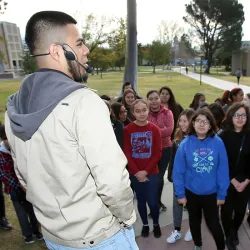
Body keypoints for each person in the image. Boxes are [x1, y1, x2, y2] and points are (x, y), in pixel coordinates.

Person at [5, 11, 138, 250]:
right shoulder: (84, 103)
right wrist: (127, 219)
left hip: (56, 239)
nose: (86, 50)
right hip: (101, 238)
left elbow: (23, 177)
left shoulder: (13, 107)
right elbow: (113, 183)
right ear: (57, 51)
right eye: (79, 44)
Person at [173, 109, 230, 250]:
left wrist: (222, 194)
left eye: (206, 121)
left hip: (211, 194)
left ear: (210, 125)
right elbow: (178, 171)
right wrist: (180, 194)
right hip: (191, 193)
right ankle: (198, 245)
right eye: (199, 120)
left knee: (214, 224)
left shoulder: (218, 143)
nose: (202, 124)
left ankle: (221, 247)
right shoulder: (185, 144)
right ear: (193, 123)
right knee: (194, 221)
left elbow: (223, 170)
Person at [124, 99, 162, 239]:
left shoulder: (154, 129)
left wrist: (145, 171)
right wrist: (137, 173)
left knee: (152, 202)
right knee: (140, 201)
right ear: (133, 112)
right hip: (135, 174)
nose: (141, 114)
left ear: (148, 110)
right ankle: (145, 225)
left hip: (151, 173)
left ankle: (156, 224)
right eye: (138, 111)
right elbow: (127, 152)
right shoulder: (127, 130)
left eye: (144, 110)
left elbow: (157, 153)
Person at [0, 123, 43, 244]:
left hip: (28, 187)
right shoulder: (1, 153)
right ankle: (27, 235)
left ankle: (37, 231)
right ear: (2, 139)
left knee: (33, 212)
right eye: (5, 138)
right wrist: (19, 185)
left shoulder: (20, 148)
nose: (8, 141)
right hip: (15, 190)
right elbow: (3, 175)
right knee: (21, 214)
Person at [219, 103, 250, 250]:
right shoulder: (223, 136)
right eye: (236, 115)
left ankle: (234, 230)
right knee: (226, 210)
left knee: (240, 211)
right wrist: (232, 180)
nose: (240, 118)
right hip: (227, 179)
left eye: (243, 115)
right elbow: (220, 162)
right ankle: (228, 235)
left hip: (246, 180)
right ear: (231, 117)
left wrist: (245, 182)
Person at [167, 108, 195, 244]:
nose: (182, 124)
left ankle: (192, 228)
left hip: (191, 181)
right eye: (181, 121)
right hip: (178, 180)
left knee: (191, 206)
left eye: (186, 121)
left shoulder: (197, 139)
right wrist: (170, 174)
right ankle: (177, 230)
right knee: (177, 205)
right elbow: (172, 159)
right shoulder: (177, 138)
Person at [147, 90, 174, 211]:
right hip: (149, 151)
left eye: (156, 98)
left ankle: (156, 202)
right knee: (152, 178)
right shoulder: (145, 113)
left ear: (160, 99)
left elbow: (169, 130)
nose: (154, 101)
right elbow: (144, 131)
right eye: (151, 99)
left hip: (165, 149)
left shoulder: (168, 113)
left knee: (159, 177)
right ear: (147, 100)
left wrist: (153, 131)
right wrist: (160, 130)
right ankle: (154, 202)